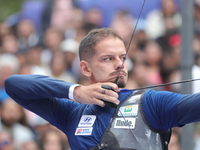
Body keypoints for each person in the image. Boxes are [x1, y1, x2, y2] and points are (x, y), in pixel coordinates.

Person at [4, 28, 200, 150]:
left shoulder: (151, 103)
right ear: (85, 68)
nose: (120, 65)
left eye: (122, 58)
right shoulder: (72, 112)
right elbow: (14, 85)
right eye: (108, 58)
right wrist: (76, 91)